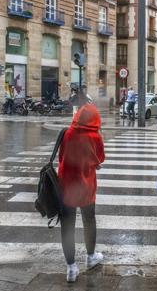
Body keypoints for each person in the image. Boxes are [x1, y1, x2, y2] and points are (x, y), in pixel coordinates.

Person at [58, 104, 105, 282]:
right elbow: (99, 159)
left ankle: (70, 268)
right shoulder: (95, 137)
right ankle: (91, 256)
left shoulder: (67, 133)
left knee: (67, 225)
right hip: (86, 186)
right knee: (89, 219)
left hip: (67, 185)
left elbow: (62, 157)